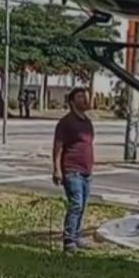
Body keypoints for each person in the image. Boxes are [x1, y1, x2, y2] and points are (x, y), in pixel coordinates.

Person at [52, 87, 95, 253]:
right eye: (80, 96)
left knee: (82, 205)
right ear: (72, 101)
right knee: (75, 204)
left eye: (85, 95)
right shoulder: (66, 122)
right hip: (72, 170)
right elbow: (58, 147)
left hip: (86, 171)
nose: (85, 98)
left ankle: (76, 236)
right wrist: (57, 169)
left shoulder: (87, 122)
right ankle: (69, 240)